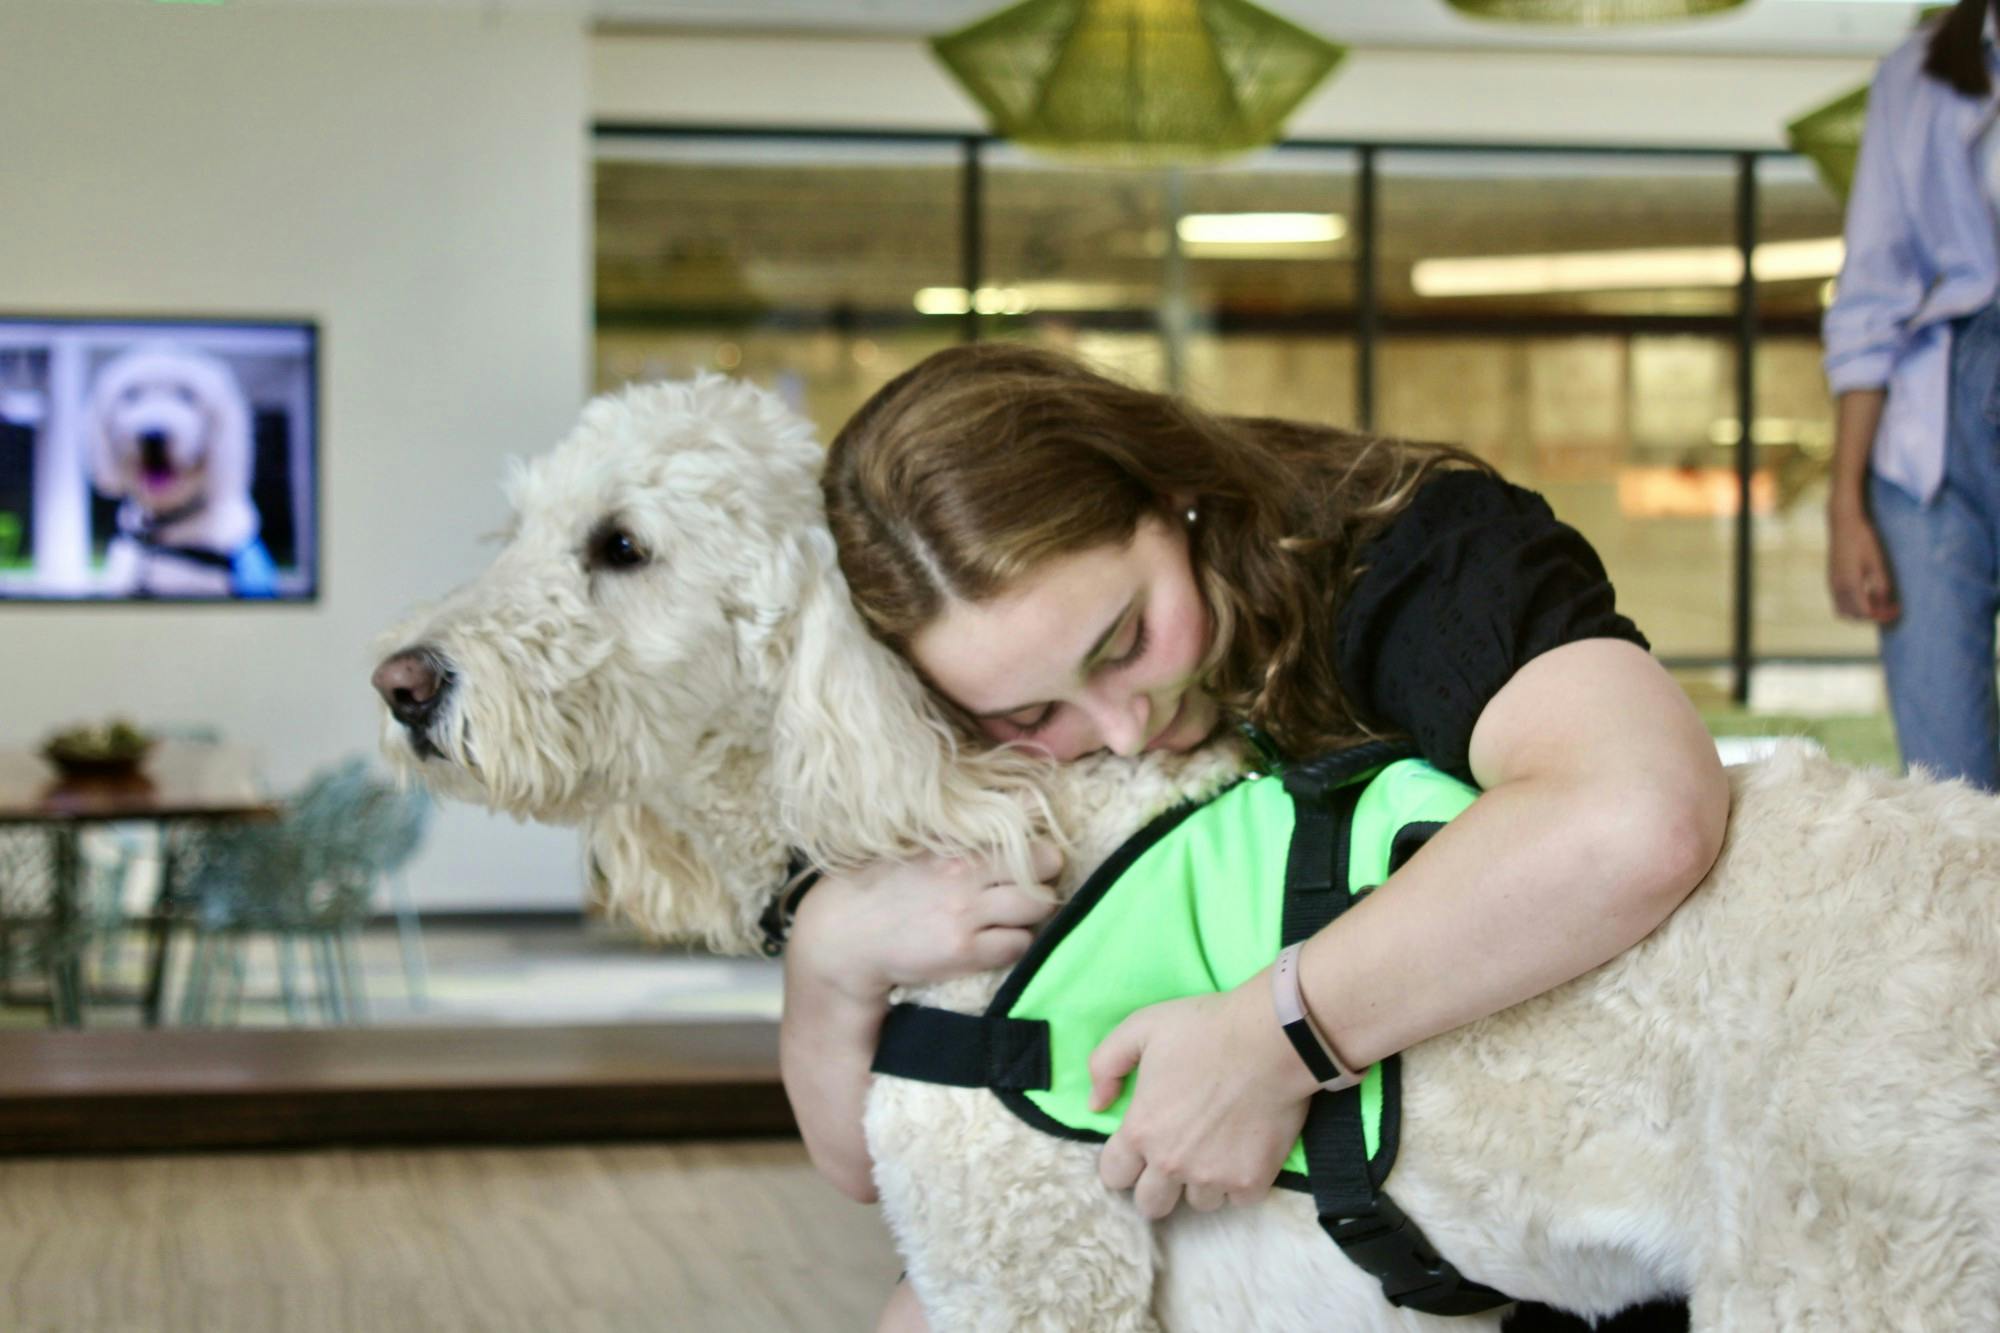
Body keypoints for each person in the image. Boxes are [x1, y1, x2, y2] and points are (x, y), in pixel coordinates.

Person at [781, 342, 1726, 1332]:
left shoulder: (1409, 555)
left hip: (1579, 1223)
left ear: (1173, 488)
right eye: (1028, 715)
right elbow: (892, 1170)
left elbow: (1638, 812)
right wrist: (826, 970)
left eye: (1126, 642)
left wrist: (1268, 1038)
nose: (1117, 729)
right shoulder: (961, 768)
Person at [1826, 0, 2000, 793]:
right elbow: (1871, 294)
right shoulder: (1921, 68)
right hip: (1927, 438)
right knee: (1947, 779)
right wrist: (1845, 504)